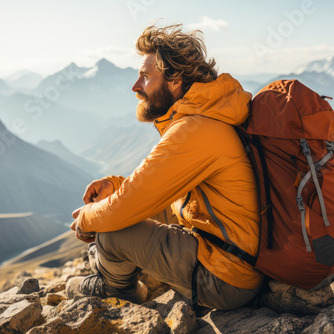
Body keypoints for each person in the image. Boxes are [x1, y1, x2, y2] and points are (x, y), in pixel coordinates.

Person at [68, 24, 263, 310]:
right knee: (119, 210)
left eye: (145, 77)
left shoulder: (194, 129)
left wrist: (86, 219)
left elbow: (124, 208)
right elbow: (156, 191)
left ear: (175, 80)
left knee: (111, 231)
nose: (136, 86)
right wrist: (116, 186)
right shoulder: (213, 114)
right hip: (235, 259)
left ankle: (116, 291)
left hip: (227, 279)